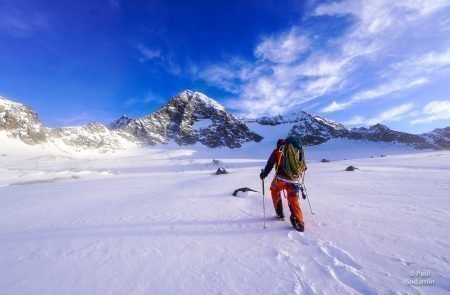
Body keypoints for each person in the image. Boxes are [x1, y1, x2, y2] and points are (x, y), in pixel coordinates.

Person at [260, 136, 306, 232]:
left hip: (280, 179)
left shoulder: (277, 151)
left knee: (274, 190)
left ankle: (279, 213)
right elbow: (303, 167)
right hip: (294, 180)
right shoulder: (297, 150)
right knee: (293, 199)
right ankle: (298, 221)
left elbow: (270, 164)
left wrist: (264, 174)